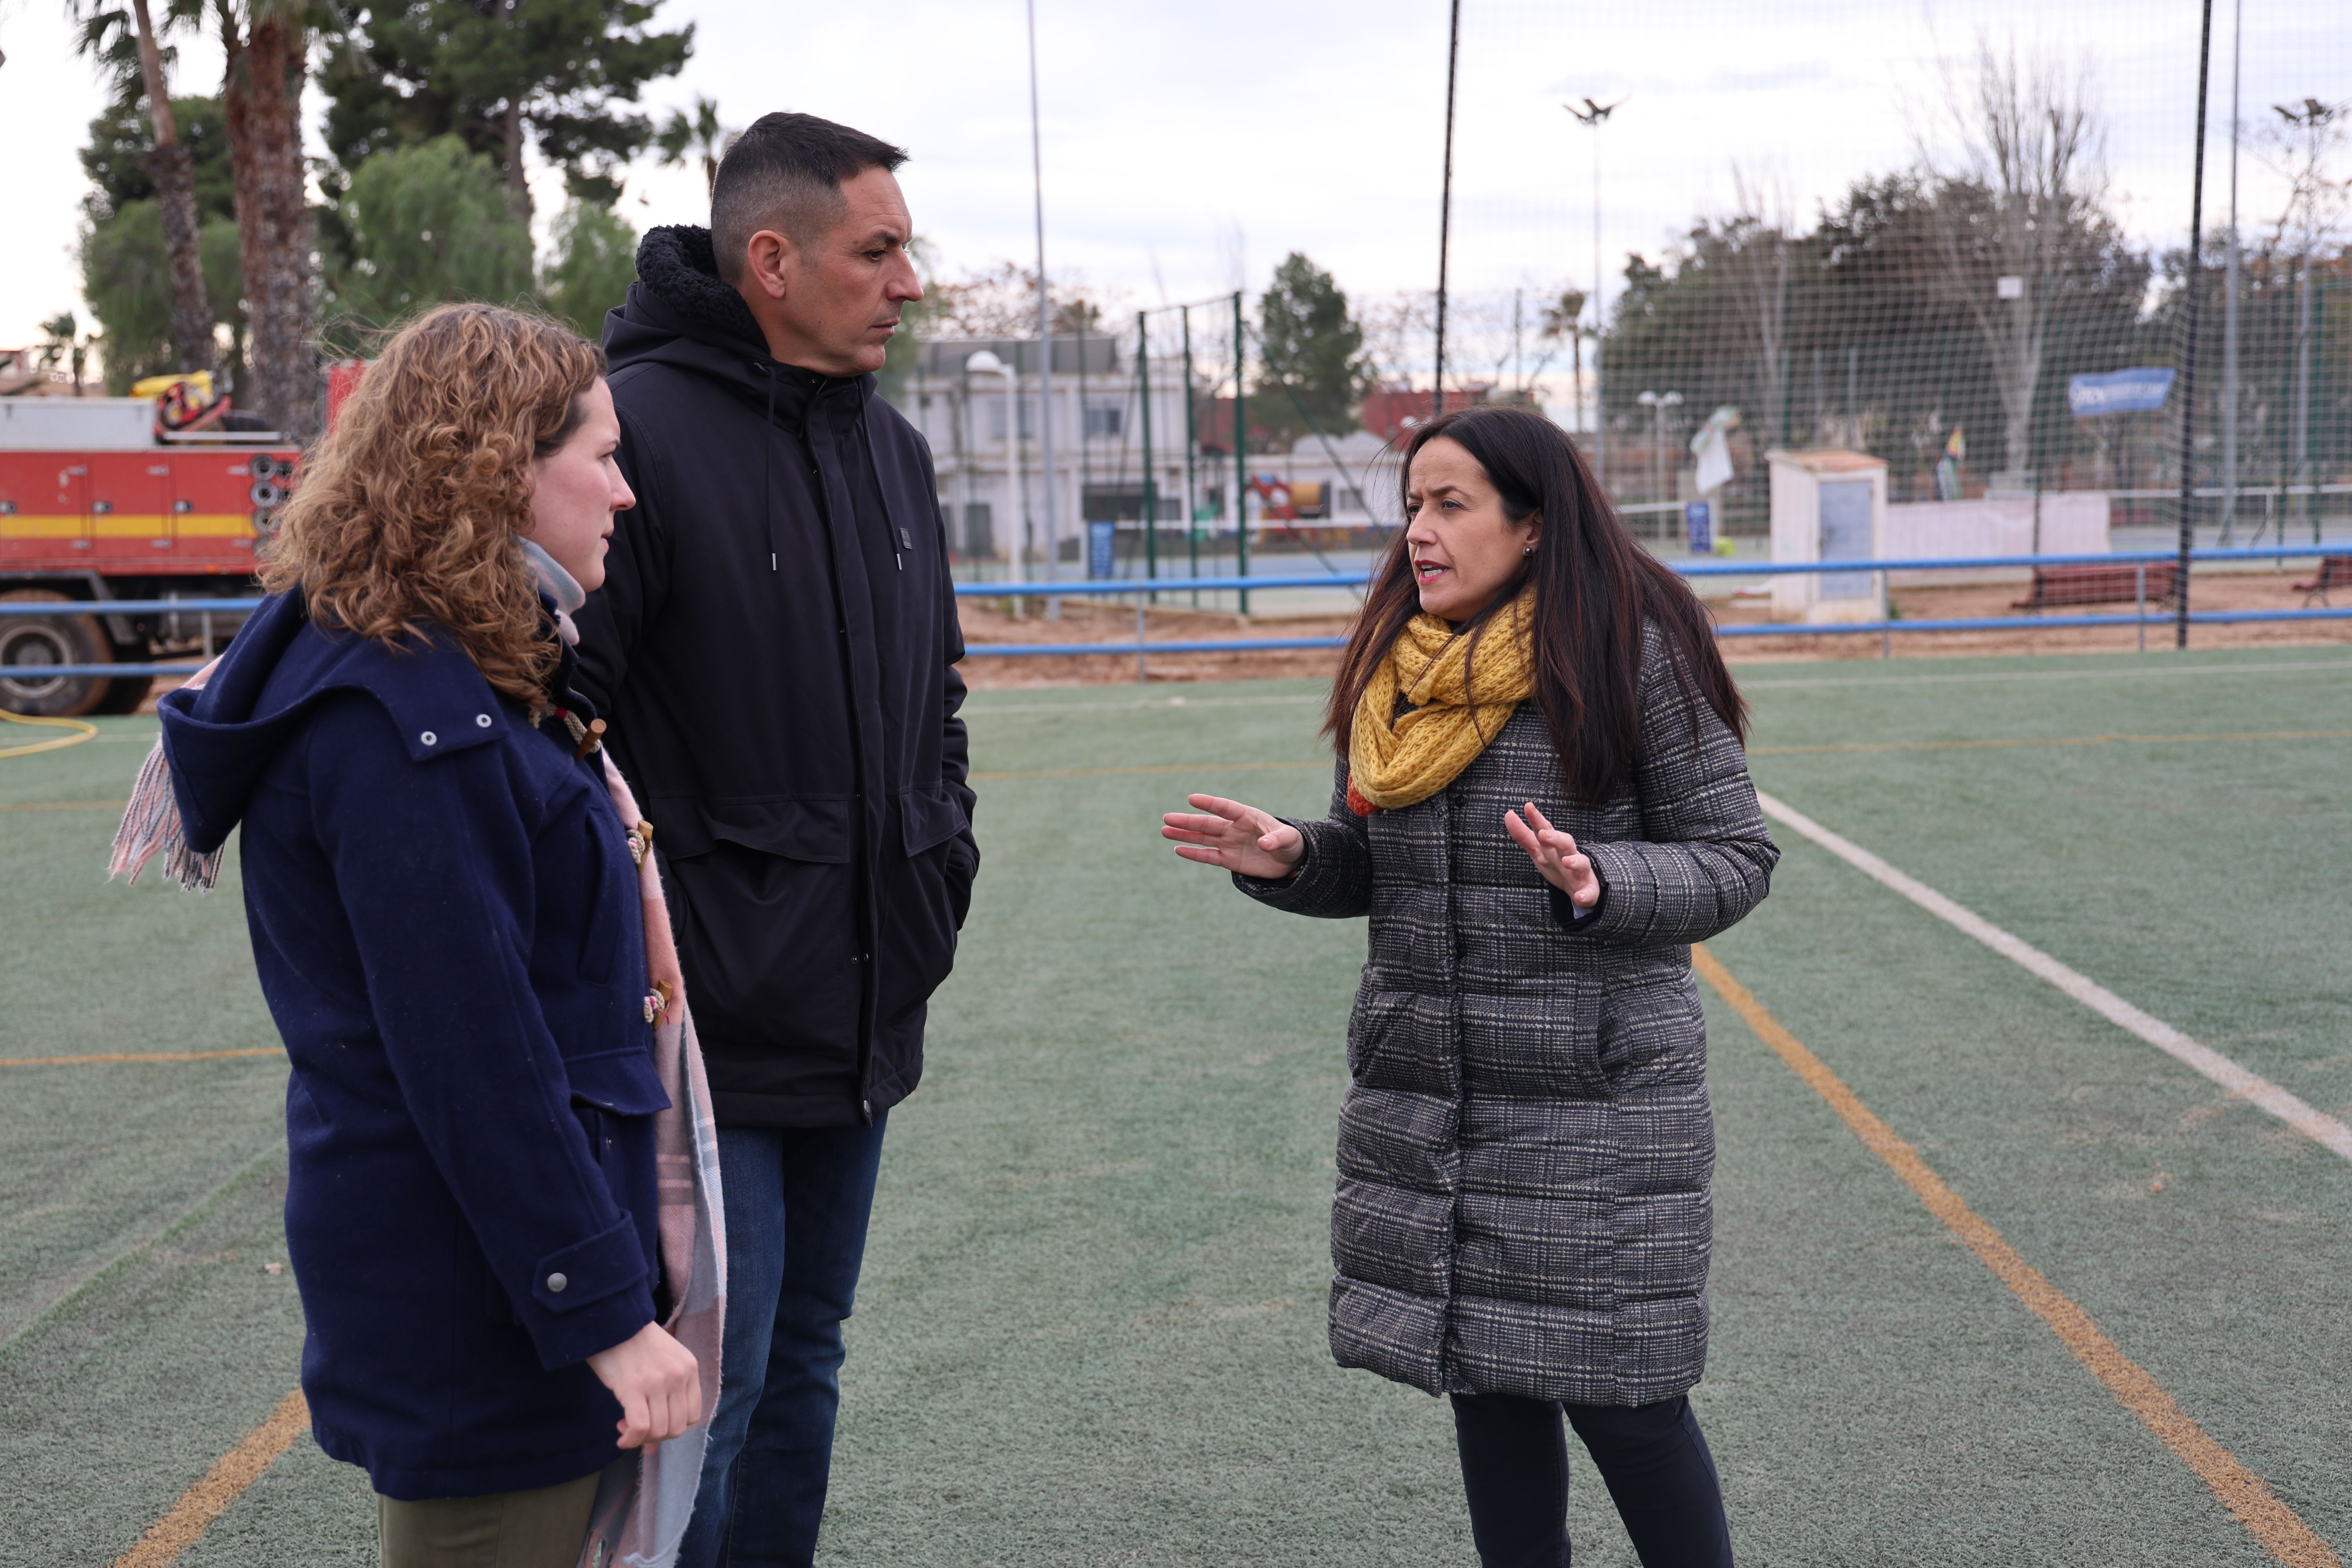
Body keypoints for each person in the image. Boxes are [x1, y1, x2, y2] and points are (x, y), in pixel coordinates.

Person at [1161, 405, 1777, 1568]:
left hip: (1595, 1106)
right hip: (1436, 1101)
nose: (1418, 536)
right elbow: (1382, 865)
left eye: (1451, 506)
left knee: (1627, 1400)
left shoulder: (1629, 647)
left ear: (1533, 525)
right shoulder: (1398, 668)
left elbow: (1736, 856)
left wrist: (1602, 880)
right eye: (1411, 508)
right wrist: (1298, 857)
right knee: (1486, 1387)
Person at [148, 303, 702, 1567]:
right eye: (602, 457)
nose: (624, 494)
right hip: (486, 1314)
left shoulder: (444, 670)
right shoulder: (404, 714)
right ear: (503, 466)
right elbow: (473, 1051)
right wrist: (603, 1315)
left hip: (494, 1287)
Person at [571, 111, 978, 1567]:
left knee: (806, 1359)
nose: (908, 284)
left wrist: (941, 879)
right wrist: (643, 975)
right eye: (878, 252)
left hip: (862, 998)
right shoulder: (633, 431)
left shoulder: (895, 450)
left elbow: (937, 697)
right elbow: (564, 732)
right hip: (701, 1028)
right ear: (770, 260)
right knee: (719, 1388)